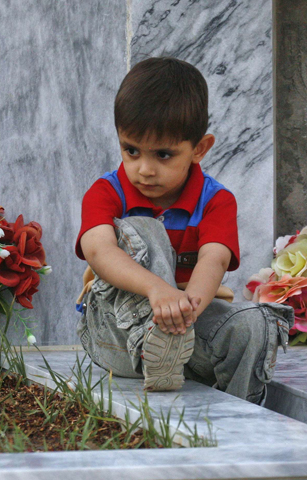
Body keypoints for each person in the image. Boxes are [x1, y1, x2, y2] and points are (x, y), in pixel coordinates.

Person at [75, 57, 294, 404]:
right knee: (145, 229)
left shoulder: (216, 200)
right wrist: (157, 290)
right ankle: (159, 338)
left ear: (200, 149)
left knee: (252, 323)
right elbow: (99, 251)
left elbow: (215, 259)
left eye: (163, 155)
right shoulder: (106, 192)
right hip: (113, 334)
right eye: (131, 150)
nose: (143, 170)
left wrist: (185, 310)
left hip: (187, 331)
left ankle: (242, 411)